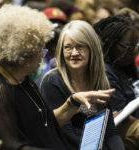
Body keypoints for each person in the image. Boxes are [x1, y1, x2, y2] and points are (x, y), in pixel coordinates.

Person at [0, 4, 115, 150]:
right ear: (23, 53)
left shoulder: (24, 81)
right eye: (40, 49)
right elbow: (11, 146)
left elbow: (45, 125)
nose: (43, 54)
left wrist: (72, 103)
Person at [40, 20, 125, 150]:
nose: (74, 53)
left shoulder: (100, 79)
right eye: (68, 47)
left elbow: (109, 130)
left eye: (80, 46)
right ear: (61, 51)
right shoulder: (52, 81)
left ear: (92, 49)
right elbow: (65, 133)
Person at [94, 15, 139, 150]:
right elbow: (121, 115)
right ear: (111, 44)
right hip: (121, 127)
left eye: (135, 45)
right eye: (127, 47)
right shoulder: (106, 72)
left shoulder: (130, 67)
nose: (133, 52)